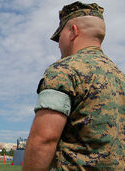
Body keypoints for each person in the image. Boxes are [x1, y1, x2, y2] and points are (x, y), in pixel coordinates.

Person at [23, 1, 125, 170]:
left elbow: (44, 139)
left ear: (73, 31)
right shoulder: (120, 78)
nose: (58, 44)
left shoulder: (64, 70)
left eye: (59, 37)